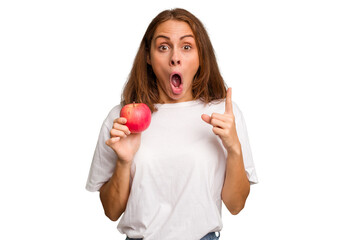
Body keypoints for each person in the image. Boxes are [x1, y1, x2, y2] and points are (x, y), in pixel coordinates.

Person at [86, 8, 258, 240]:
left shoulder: (223, 113)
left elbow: (236, 205)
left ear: (200, 57)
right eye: (163, 47)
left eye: (187, 47)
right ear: (148, 56)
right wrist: (124, 162)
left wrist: (234, 148)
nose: (175, 57)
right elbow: (111, 211)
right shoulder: (121, 120)